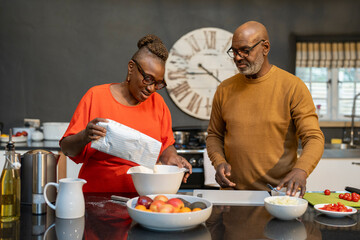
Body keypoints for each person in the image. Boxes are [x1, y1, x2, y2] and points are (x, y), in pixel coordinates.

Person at [206, 21, 324, 197]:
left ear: (265, 48)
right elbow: (214, 135)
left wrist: (301, 170)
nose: (238, 57)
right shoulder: (224, 89)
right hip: (232, 194)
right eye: (234, 51)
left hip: (278, 195)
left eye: (245, 50)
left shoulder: (293, 86)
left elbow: (313, 137)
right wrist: (219, 162)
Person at [60, 34, 192, 192]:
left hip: (142, 199)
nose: (151, 88)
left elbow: (165, 146)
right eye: (148, 79)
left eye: (158, 83)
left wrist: (173, 159)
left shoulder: (158, 104)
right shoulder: (96, 96)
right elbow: (67, 149)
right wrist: (85, 135)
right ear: (131, 68)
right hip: (97, 198)